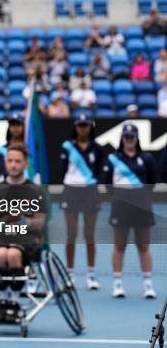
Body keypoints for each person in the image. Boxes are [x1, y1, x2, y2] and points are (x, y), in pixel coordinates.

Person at [0, 144, 47, 323]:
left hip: (26, 238)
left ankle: (14, 302)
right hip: (2, 236)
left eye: (18, 161)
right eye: (10, 161)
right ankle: (4, 301)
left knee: (12, 255)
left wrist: (22, 221)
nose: (13, 165)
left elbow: (39, 222)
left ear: (25, 164)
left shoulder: (35, 191)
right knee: (0, 254)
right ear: (5, 163)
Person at [103, 123, 157, 299]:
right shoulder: (113, 158)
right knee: (120, 245)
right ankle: (117, 284)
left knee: (143, 245)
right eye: (126, 137)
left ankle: (148, 285)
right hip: (121, 206)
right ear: (122, 139)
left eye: (132, 137)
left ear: (136, 138)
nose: (129, 140)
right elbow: (107, 184)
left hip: (142, 205)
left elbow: (152, 182)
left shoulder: (146, 158)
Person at [60, 115, 104, 290]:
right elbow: (63, 169)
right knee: (71, 234)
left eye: (86, 126)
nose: (83, 129)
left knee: (89, 235)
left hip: (90, 192)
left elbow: (100, 170)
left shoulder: (98, 148)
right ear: (75, 127)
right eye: (80, 125)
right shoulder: (67, 147)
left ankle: (91, 275)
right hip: (71, 191)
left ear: (90, 127)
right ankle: (70, 275)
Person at [0, 113, 25, 182]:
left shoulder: (28, 149)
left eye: (18, 125)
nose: (15, 128)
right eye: (13, 125)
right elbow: (4, 171)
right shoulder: (1, 150)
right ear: (9, 128)